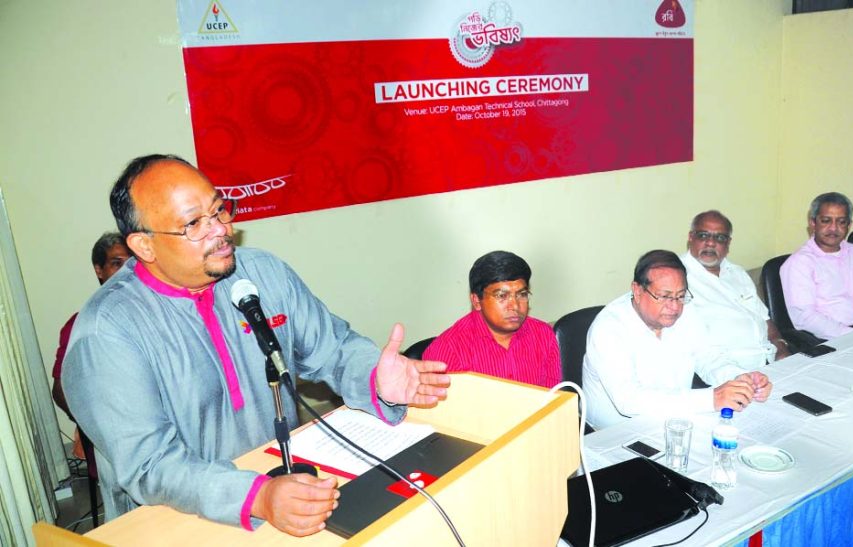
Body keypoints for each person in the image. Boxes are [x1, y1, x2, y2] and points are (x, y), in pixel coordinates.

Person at [62, 154, 450, 537]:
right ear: (144, 246)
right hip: (178, 523)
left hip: (284, 495)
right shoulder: (106, 332)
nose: (220, 230)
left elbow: (332, 348)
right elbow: (150, 466)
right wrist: (257, 496)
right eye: (194, 224)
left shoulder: (261, 272)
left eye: (219, 211)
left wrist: (375, 378)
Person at [582, 250, 772, 429]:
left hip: (677, 418)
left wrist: (739, 379)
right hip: (616, 436)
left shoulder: (686, 311)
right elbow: (629, 400)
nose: (674, 307)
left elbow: (708, 357)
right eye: (664, 296)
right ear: (638, 291)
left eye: (680, 296)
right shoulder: (609, 328)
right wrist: (712, 398)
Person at [422, 251, 561, 388]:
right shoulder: (448, 350)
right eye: (502, 296)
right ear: (476, 300)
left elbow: (554, 400)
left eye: (522, 294)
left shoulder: (543, 335)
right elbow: (439, 410)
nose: (515, 306)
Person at [681, 210, 791, 368]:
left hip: (769, 361)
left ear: (728, 243)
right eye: (703, 235)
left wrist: (780, 346)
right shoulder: (678, 276)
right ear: (691, 237)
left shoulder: (737, 273)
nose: (711, 243)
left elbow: (764, 318)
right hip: (727, 370)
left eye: (720, 237)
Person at [780, 192, 853, 340]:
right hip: (835, 338)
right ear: (813, 223)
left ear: (849, 225)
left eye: (841, 222)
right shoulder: (800, 263)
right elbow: (805, 317)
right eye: (826, 221)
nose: (833, 228)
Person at [51, 232, 131, 420]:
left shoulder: (154, 312)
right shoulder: (81, 324)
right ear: (99, 270)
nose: (127, 271)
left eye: (131, 263)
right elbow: (60, 390)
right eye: (117, 263)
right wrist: (93, 427)